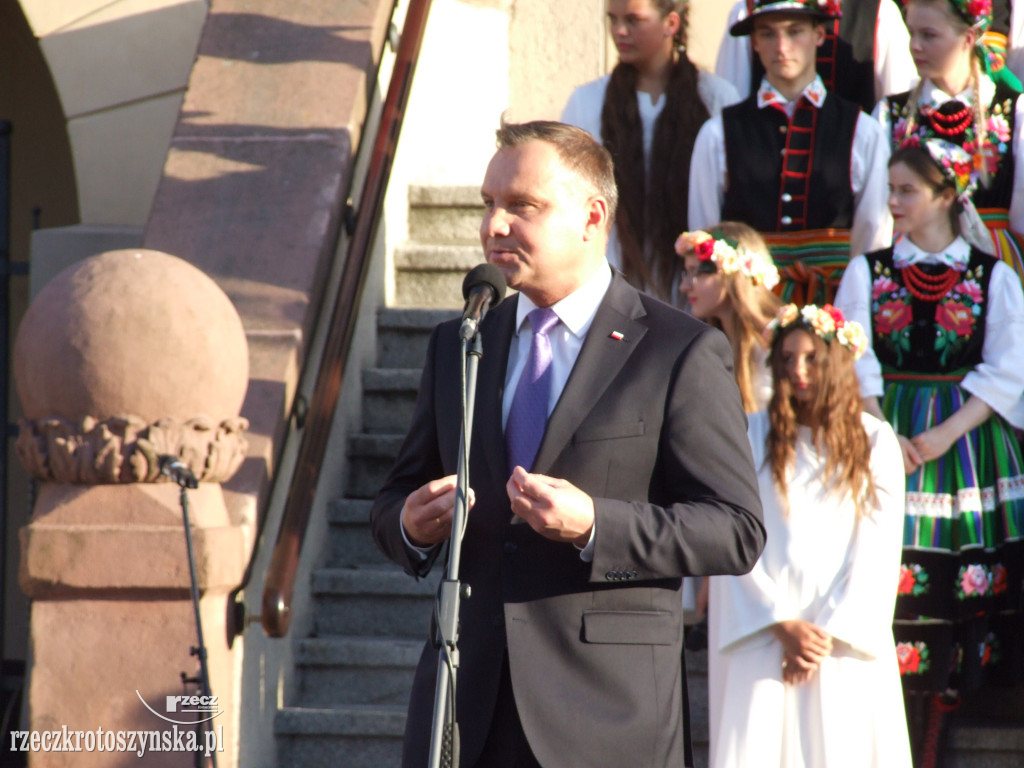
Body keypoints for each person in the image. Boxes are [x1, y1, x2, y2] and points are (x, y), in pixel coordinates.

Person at [370, 120, 766, 768]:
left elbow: (736, 530)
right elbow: (392, 500)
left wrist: (594, 525)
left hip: (604, 719)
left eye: (522, 206)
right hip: (465, 711)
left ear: (591, 217)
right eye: (488, 204)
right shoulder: (460, 342)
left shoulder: (677, 350)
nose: (494, 225)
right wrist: (411, 525)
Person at [834, 140, 1024, 765]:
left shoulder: (992, 275)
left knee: (958, 588)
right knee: (896, 587)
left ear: (947, 195)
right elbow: (853, 356)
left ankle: (938, 731)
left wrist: (942, 435)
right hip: (886, 435)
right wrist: (879, 433)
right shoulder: (868, 270)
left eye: (907, 191)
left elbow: (1008, 369)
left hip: (963, 443)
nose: (892, 202)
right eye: (889, 190)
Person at [707, 302, 912, 768]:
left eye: (811, 359)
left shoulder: (875, 441)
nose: (798, 371)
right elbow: (729, 530)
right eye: (786, 359)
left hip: (841, 640)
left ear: (836, 364)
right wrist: (779, 620)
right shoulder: (748, 433)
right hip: (762, 633)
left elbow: (879, 550)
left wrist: (825, 632)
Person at [688, 0, 893, 307]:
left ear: (819, 35)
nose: (781, 47)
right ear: (754, 42)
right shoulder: (717, 134)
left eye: (795, 31)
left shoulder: (863, 131)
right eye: (768, 34)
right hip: (747, 309)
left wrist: (852, 310)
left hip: (834, 307)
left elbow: (873, 236)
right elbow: (705, 234)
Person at [561, 0, 740, 302]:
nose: (619, 31)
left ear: (671, 23)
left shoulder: (717, 98)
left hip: (692, 294)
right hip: (609, 288)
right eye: (613, 19)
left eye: (633, 20)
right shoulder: (587, 102)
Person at [876, 0, 1024, 283]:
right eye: (912, 34)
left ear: (968, 38)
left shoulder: (1013, 112)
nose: (915, 46)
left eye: (929, 35)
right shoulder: (892, 115)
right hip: (910, 272)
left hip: (993, 269)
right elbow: (879, 214)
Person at [716, 0, 918, 112]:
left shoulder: (879, 12)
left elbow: (897, 113)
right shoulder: (748, 11)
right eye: (769, 34)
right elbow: (729, 105)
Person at [675, 222, 782, 413]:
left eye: (695, 272)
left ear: (733, 273)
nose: (684, 286)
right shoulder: (709, 346)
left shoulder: (779, 339)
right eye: (686, 273)